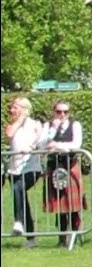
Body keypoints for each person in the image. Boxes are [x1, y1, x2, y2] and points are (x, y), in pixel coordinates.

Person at [40, 100, 85, 247]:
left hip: (70, 165)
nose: (62, 115)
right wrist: (53, 130)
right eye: (59, 111)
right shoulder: (48, 126)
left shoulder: (75, 125)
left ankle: (75, 235)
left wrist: (57, 145)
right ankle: (62, 237)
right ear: (54, 112)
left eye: (65, 112)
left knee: (73, 204)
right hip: (54, 166)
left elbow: (76, 145)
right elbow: (42, 145)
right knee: (59, 204)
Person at [6, 97, 42, 247]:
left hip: (31, 166)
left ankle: (19, 221)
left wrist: (31, 148)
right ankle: (31, 238)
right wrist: (19, 121)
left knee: (18, 188)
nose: (12, 110)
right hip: (15, 168)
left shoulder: (35, 124)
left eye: (15, 107)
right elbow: (9, 135)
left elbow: (39, 141)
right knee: (21, 197)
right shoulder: (12, 125)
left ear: (24, 108)